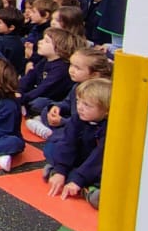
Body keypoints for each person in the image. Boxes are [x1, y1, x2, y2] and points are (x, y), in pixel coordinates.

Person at [44, 77, 110, 209]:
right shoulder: (78, 119)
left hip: (95, 166)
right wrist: (61, 171)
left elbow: (98, 158)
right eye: (79, 102)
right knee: (53, 148)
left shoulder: (107, 129)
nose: (79, 108)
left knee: (106, 177)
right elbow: (68, 143)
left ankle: (89, 190)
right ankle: (61, 174)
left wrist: (77, 179)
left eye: (87, 105)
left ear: (106, 110)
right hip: (80, 158)